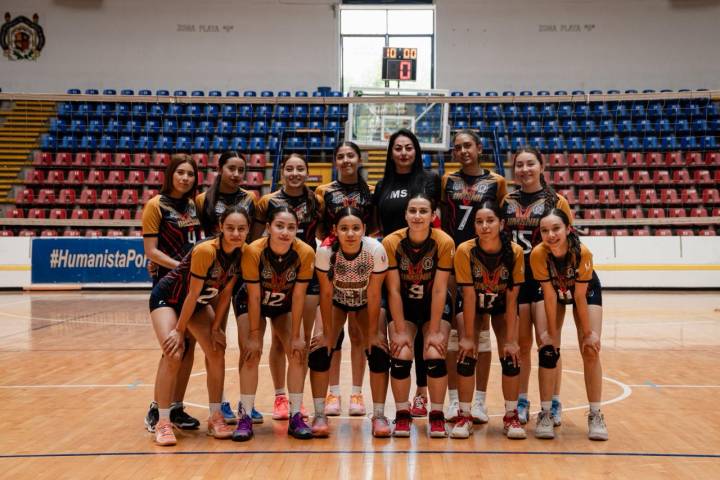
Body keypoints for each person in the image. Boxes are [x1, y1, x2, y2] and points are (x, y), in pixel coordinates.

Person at [148, 206, 249, 446]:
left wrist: (215, 328)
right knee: (174, 352)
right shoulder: (205, 250)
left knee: (216, 350)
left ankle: (215, 417)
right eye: (230, 228)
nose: (236, 233)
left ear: (248, 230)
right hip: (169, 299)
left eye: (241, 229)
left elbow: (225, 294)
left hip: (197, 303)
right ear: (221, 228)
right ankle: (163, 421)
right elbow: (191, 294)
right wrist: (179, 330)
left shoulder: (243, 253)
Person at [501, 146, 573, 426]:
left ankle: (553, 401)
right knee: (521, 345)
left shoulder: (557, 201)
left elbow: (568, 243)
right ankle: (522, 399)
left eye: (530, 163)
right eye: (519, 165)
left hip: (548, 281)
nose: (525, 169)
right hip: (518, 282)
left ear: (542, 166)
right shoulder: (507, 201)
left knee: (549, 342)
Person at [440, 130, 507, 424]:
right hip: (454, 260)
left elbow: (501, 220)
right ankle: (455, 399)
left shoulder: (496, 182)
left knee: (481, 331)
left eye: (468, 145)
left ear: (479, 148)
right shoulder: (447, 181)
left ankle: (479, 400)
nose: (463, 151)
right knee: (456, 332)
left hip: (485, 261)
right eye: (458, 147)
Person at [373, 128, 440, 417]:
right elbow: (376, 225)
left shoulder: (429, 180)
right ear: (391, 153)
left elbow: (436, 219)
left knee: (423, 327)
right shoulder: (382, 184)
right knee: (399, 327)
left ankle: (422, 392)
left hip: (424, 260)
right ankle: (394, 401)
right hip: (392, 260)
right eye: (398, 148)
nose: (403, 153)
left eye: (408, 147)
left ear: (416, 151)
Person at [234, 207, 316, 441]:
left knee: (298, 352)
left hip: (284, 303)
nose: (285, 232)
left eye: (291, 227)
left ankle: (296, 415)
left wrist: (297, 335)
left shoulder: (305, 252)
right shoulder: (253, 250)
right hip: (252, 302)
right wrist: (254, 334)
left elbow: (298, 296)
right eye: (279, 226)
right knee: (251, 352)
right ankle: (245, 415)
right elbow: (254, 296)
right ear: (268, 227)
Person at [252, 153, 320, 422]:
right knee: (279, 341)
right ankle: (280, 396)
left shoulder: (316, 200)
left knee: (299, 339)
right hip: (275, 273)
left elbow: (324, 232)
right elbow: (255, 238)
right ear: (281, 172)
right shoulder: (268, 202)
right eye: (289, 168)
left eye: (300, 168)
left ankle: (297, 400)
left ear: (307, 172)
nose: (295, 173)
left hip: (305, 273)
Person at [309, 207, 388, 437]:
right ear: (335, 230)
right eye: (344, 228)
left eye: (355, 228)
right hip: (336, 301)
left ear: (364, 229)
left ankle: (379, 415)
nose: (350, 233)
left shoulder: (375, 250)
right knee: (320, 349)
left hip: (364, 301)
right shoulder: (325, 251)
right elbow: (325, 293)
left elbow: (374, 292)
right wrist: (326, 334)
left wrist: (372, 333)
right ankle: (320, 413)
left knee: (377, 350)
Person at [530, 208, 608, 441]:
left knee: (590, 349)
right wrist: (551, 334)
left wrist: (588, 333)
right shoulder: (538, 254)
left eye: (556, 229)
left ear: (568, 229)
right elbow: (549, 295)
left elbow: (580, 297)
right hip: (555, 292)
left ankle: (596, 414)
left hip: (585, 292)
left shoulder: (582, 253)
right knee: (548, 350)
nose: (551, 235)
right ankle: (546, 413)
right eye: (545, 230)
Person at [451, 201, 526, 440]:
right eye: (479, 222)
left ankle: (511, 416)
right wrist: (468, 337)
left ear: (501, 224)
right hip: (473, 303)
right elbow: (468, 295)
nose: (484, 226)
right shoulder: (465, 250)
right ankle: (464, 415)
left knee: (511, 357)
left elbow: (512, 298)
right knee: (466, 355)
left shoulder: (514, 251)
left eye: (490, 221)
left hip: (503, 305)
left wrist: (512, 340)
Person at [382, 194, 454, 438]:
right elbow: (393, 290)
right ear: (405, 215)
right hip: (404, 306)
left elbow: (440, 289)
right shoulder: (391, 242)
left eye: (423, 211)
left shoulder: (443, 242)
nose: (417, 216)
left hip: (434, 305)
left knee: (434, 353)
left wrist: (434, 331)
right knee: (401, 353)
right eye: (412, 211)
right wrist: (400, 331)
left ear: (433, 216)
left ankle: (437, 415)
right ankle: (402, 414)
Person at [195, 150, 258, 423]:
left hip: (242, 275)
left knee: (246, 341)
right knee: (215, 340)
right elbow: (197, 239)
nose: (236, 174)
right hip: (214, 276)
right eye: (231, 168)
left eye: (241, 169)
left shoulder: (250, 199)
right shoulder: (203, 200)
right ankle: (219, 402)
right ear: (220, 169)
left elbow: (255, 240)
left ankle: (247, 403)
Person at [142, 154, 202, 434]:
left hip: (193, 288)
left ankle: (176, 407)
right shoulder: (156, 205)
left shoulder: (194, 205)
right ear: (170, 175)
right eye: (180, 172)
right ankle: (158, 409)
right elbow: (151, 251)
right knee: (172, 349)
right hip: (167, 285)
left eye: (190, 174)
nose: (185, 178)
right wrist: (183, 267)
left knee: (188, 348)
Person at [315, 141, 375, 416]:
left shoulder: (370, 191)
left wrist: (360, 247)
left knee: (358, 334)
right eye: (341, 156)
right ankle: (333, 392)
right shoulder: (324, 191)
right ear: (335, 161)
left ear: (359, 159)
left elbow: (374, 226)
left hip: (362, 260)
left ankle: (357, 394)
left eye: (351, 155)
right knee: (334, 335)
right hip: (334, 259)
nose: (346, 160)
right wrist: (333, 246)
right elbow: (319, 228)